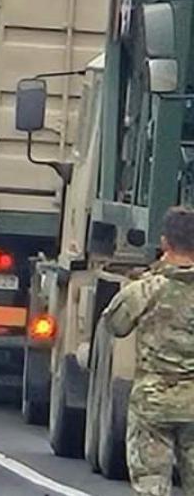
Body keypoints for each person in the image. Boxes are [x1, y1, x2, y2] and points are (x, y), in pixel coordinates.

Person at [103, 205, 194, 495]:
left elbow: (115, 324)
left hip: (153, 403)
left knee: (151, 485)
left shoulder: (145, 289)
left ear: (165, 242)